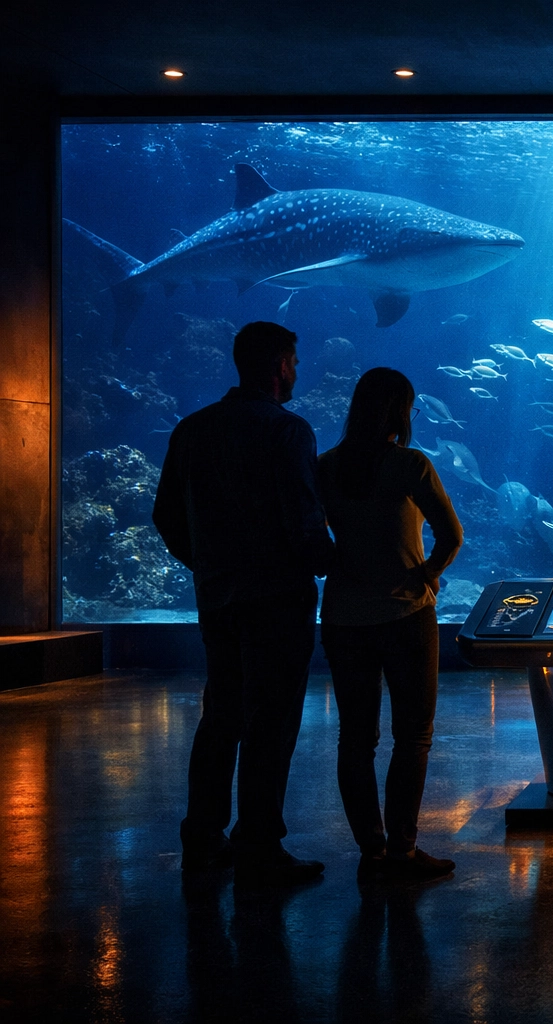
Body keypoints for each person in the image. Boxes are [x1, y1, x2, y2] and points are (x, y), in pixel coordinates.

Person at [153, 321, 333, 884]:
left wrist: (209, 565)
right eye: (295, 361)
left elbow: (165, 516)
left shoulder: (192, 429)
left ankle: (203, 836)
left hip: (219, 598)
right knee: (271, 722)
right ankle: (259, 843)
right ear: (281, 365)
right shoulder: (290, 432)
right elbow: (305, 522)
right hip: (278, 600)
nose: (298, 371)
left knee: (222, 715)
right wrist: (340, 563)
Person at [317, 368, 463, 883]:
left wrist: (346, 561)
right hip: (406, 614)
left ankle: (370, 850)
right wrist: (426, 574)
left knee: (355, 740)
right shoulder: (410, 464)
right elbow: (452, 535)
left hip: (342, 618)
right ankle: (401, 850)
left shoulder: (324, 467)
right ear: (402, 412)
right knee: (413, 736)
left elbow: (313, 544)